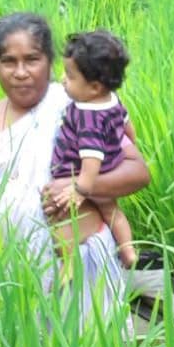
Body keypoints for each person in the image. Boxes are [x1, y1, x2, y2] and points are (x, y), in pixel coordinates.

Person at [0, 12, 149, 318]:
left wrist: (80, 187)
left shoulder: (78, 108)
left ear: (50, 62)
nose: (21, 72)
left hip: (83, 267)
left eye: (32, 59)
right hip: (10, 272)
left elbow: (138, 172)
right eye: (8, 61)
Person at [49, 29, 138, 269]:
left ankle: (67, 263)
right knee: (113, 213)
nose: (62, 79)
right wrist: (131, 143)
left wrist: (79, 190)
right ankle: (128, 250)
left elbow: (90, 160)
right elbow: (127, 125)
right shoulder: (112, 100)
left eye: (69, 76)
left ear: (95, 87)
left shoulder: (87, 117)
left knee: (64, 220)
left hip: (80, 174)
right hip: (111, 168)